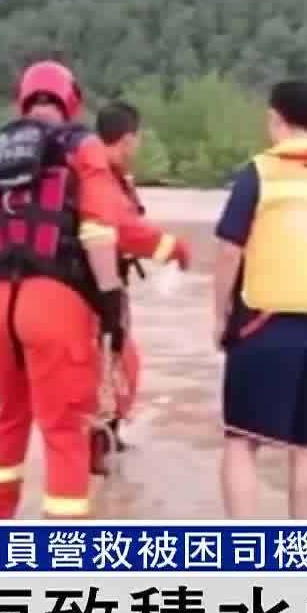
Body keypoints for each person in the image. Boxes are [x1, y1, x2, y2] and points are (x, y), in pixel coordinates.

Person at [0, 60, 137, 519]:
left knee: (7, 413)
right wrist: (112, 303)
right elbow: (100, 231)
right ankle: (62, 541)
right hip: (54, 303)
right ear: (71, 101)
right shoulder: (83, 148)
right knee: (64, 427)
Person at [208, 79, 307, 519]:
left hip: (261, 322)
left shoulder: (260, 172)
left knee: (240, 442)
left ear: (274, 118)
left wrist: (220, 317)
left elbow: (229, 249)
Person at [92, 100, 192, 471]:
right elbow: (128, 230)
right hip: (93, 291)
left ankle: (106, 437)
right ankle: (95, 449)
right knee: (109, 365)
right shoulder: (99, 179)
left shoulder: (106, 176)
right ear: (129, 139)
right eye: (137, 141)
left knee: (121, 363)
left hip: (106, 287)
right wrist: (175, 249)